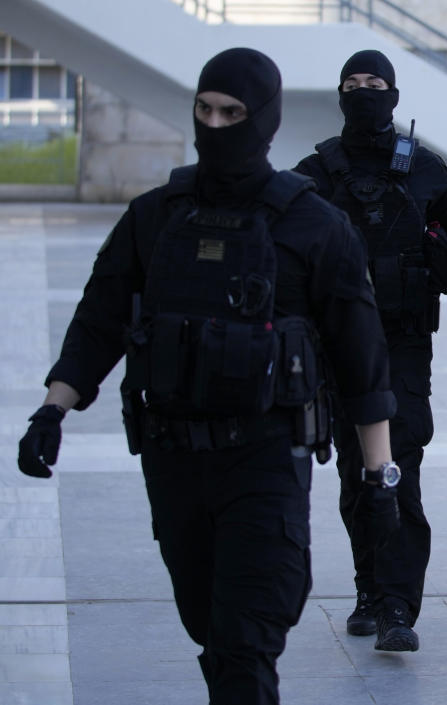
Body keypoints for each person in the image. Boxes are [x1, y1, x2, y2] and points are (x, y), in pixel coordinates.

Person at [17, 48, 400, 705]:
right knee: (210, 627)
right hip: (173, 461)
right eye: (205, 109)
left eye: (233, 112)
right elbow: (100, 319)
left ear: (265, 119)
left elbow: (361, 357)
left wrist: (379, 476)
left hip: (265, 460)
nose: (216, 124)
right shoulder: (156, 216)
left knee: (247, 638)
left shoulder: (315, 225)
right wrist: (52, 409)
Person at [294, 49, 447, 652]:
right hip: (337, 347)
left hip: (405, 343)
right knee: (352, 470)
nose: (363, 91)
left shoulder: (428, 170)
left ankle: (397, 607)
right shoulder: (313, 172)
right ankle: (368, 587)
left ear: (393, 93)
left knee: (399, 466)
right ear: (340, 94)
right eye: (352, 83)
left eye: (375, 82)